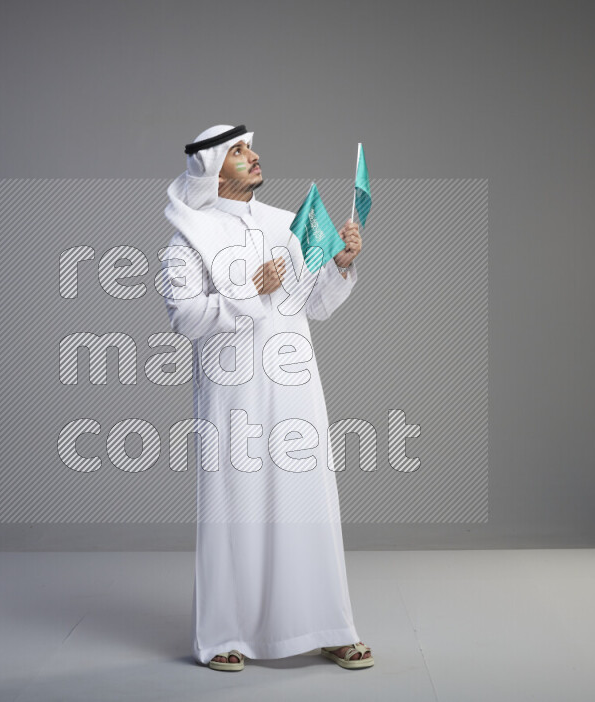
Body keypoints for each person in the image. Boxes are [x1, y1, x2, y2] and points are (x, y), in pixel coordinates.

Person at [159, 124, 373, 671]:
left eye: (251, 147)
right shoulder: (190, 235)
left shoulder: (285, 225)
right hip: (232, 390)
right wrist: (248, 291)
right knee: (236, 506)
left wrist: (342, 262)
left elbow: (315, 304)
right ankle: (224, 635)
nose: (253, 157)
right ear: (210, 168)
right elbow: (184, 318)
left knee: (310, 503)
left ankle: (330, 626)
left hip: (295, 384)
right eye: (237, 151)